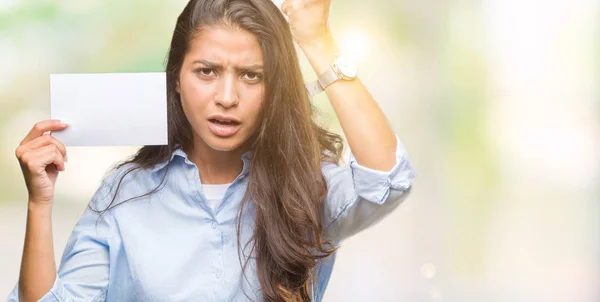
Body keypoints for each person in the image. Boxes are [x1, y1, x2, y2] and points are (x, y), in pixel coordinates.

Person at [9, 0, 416, 301]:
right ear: (177, 80)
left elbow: (388, 180)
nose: (227, 96)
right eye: (207, 71)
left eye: (251, 76)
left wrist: (318, 42)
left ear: (274, 88)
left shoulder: (306, 187)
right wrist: (39, 203)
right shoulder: (124, 193)